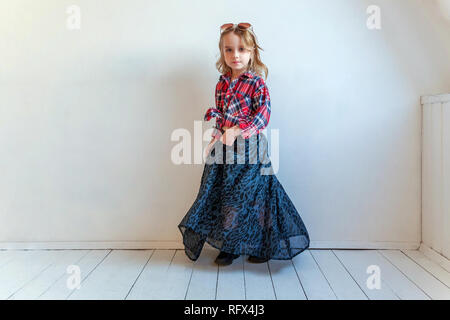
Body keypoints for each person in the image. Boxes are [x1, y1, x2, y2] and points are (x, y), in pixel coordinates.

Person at [178, 22, 310, 266]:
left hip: (251, 150)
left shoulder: (256, 83)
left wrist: (238, 130)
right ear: (222, 53)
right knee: (228, 196)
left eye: (241, 50)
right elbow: (220, 113)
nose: (235, 55)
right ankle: (231, 245)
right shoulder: (221, 84)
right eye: (229, 50)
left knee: (253, 195)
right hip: (227, 151)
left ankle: (261, 245)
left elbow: (263, 116)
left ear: (252, 53)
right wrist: (217, 136)